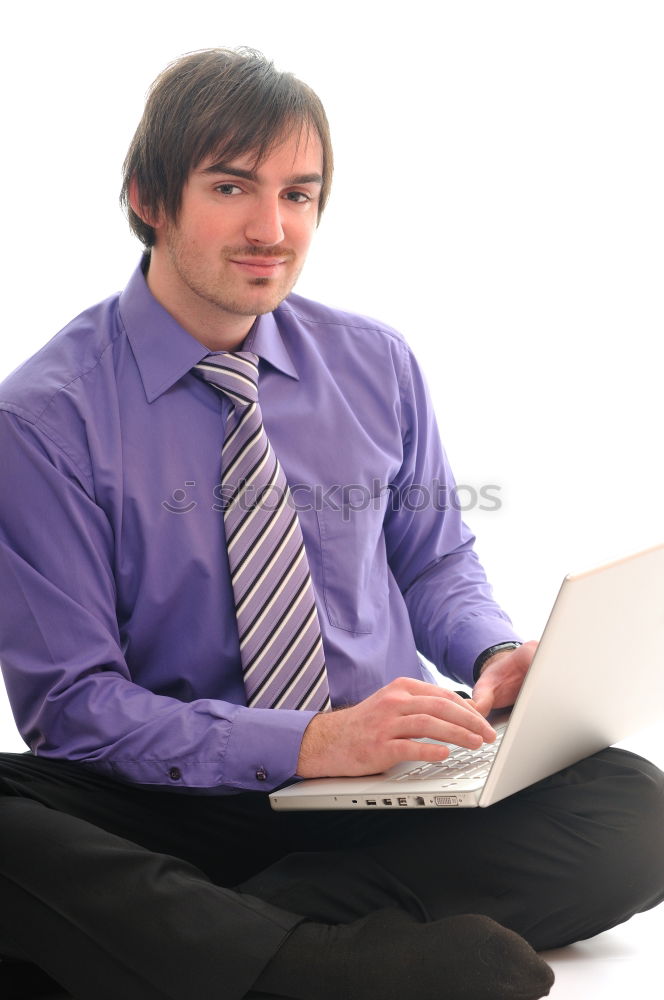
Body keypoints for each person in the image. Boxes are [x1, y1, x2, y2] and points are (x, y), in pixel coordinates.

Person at [0, 47, 662, 1000]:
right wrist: (310, 741)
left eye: (299, 194)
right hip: (172, 797)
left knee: (635, 805)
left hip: (384, 790)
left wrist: (494, 655)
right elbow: (73, 710)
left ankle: (181, 935)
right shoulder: (44, 418)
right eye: (232, 186)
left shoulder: (374, 364)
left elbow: (436, 563)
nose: (272, 228)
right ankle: (308, 965)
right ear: (149, 197)